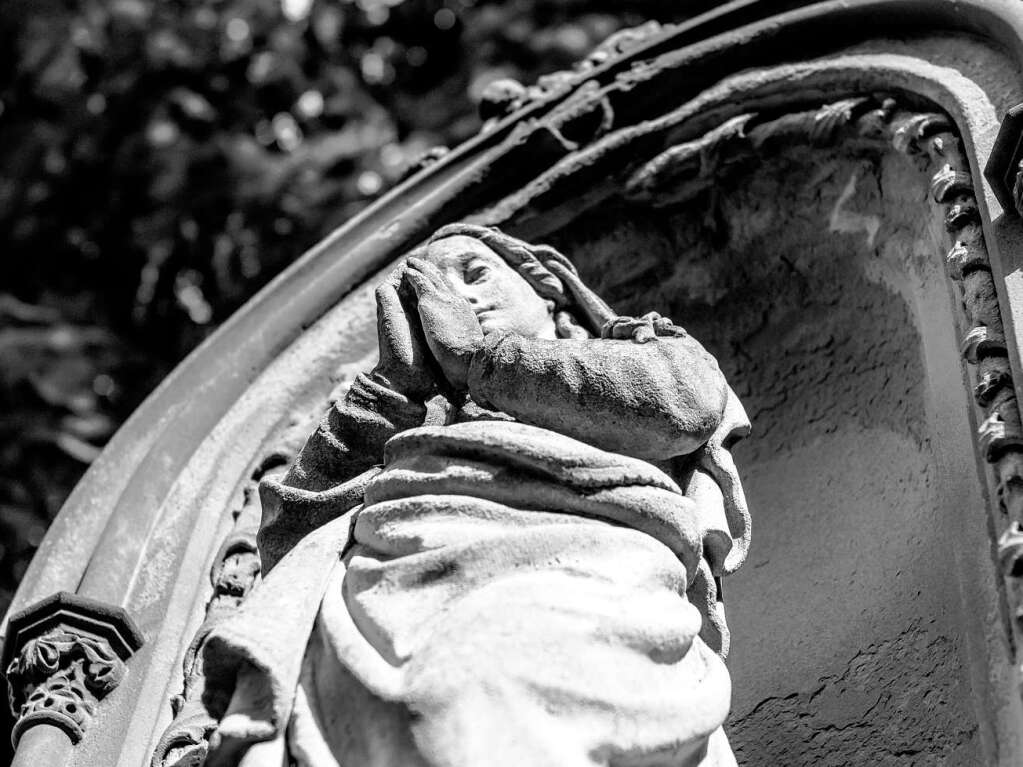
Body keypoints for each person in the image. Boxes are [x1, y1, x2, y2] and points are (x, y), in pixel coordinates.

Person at [199, 224, 751, 767]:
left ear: (547, 286)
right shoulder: (407, 414)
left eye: (475, 272)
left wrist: (483, 361)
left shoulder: (642, 349)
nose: (457, 297)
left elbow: (684, 407)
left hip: (583, 577)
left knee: (468, 685)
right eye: (424, 295)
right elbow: (288, 546)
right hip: (389, 594)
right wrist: (396, 388)